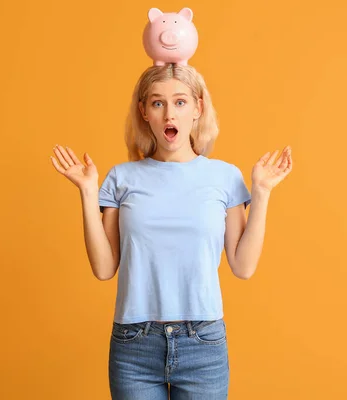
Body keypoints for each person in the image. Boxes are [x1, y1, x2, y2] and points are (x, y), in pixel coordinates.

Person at [51, 63, 293, 399]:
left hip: (203, 344)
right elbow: (104, 268)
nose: (169, 115)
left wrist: (262, 192)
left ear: (198, 108)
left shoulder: (224, 177)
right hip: (134, 344)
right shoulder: (121, 179)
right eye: (157, 103)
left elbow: (243, 266)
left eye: (180, 102)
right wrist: (88, 192)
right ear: (144, 112)